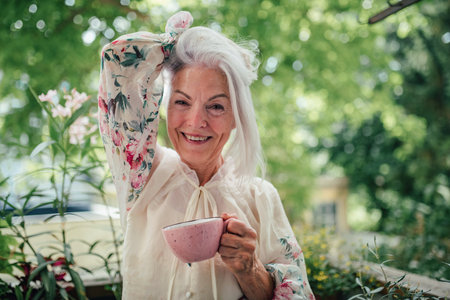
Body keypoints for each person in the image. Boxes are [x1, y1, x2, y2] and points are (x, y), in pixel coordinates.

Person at [98, 11, 314, 300]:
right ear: (165, 108)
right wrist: (171, 44)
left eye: (215, 107)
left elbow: (299, 294)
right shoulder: (141, 172)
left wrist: (250, 269)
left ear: (237, 116)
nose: (195, 121)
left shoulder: (260, 196)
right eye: (182, 102)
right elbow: (116, 60)